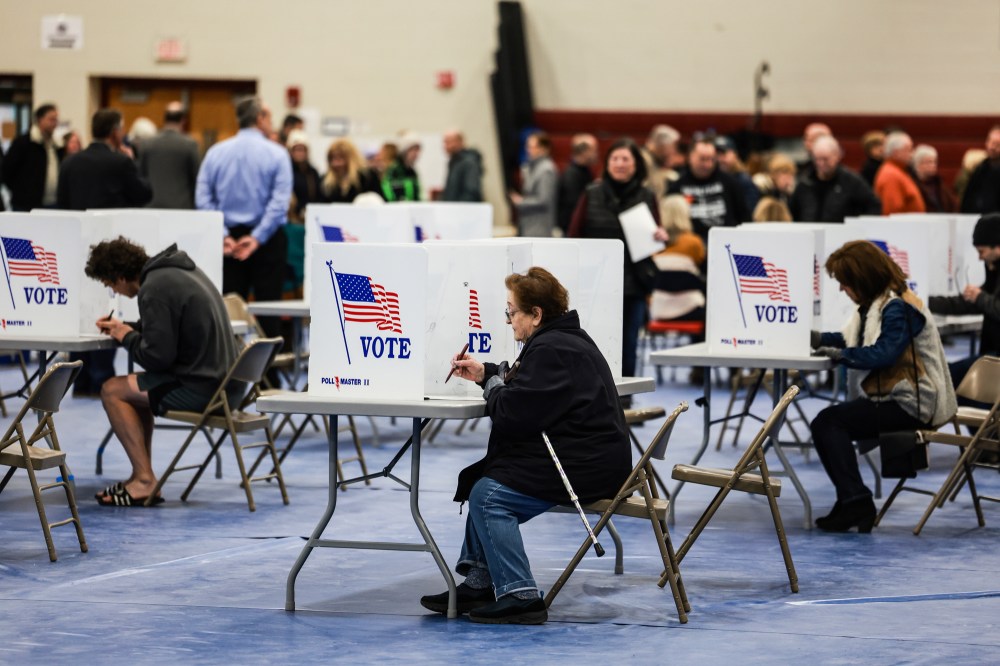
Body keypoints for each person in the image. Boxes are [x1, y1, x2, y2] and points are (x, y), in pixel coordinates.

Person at [419, 267, 631, 624]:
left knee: (489, 494)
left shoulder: (552, 348)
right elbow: (528, 389)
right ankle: (482, 582)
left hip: (585, 467)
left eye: (512, 312)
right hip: (588, 457)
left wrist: (491, 386)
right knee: (489, 476)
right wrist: (487, 373)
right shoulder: (561, 340)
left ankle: (521, 595)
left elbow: (512, 412)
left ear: (536, 314)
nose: (508, 320)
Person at [810, 240, 956, 533]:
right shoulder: (880, 304)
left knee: (829, 423)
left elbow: (882, 352)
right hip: (899, 396)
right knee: (828, 422)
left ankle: (855, 500)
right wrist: (816, 339)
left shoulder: (898, 308)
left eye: (844, 283)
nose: (842, 290)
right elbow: (853, 339)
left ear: (862, 279)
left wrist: (840, 356)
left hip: (914, 402)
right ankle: (853, 499)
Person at [84, 237, 239, 507]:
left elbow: (156, 358)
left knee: (112, 390)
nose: (115, 292)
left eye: (110, 286)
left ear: (120, 277)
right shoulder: (177, 272)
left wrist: (126, 336)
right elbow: (166, 330)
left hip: (205, 390)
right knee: (135, 391)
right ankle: (142, 477)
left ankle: (144, 481)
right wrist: (128, 328)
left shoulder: (153, 289)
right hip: (229, 385)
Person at [59, 108, 154, 397]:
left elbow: (62, 204)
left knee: (81, 312)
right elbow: (144, 195)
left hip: (76, 246)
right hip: (110, 251)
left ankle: (80, 377)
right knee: (104, 307)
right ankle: (101, 377)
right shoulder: (120, 162)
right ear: (115, 132)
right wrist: (132, 163)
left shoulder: (71, 163)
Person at [569, 138, 667, 380]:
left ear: (636, 165)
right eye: (615, 158)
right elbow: (573, 234)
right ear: (607, 163)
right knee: (591, 345)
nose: (620, 164)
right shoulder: (591, 193)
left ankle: (625, 406)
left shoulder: (647, 195)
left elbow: (657, 236)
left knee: (628, 346)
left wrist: (661, 236)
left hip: (633, 285)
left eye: (626, 159)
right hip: (594, 286)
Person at [196, 96, 292, 343]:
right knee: (268, 309)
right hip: (266, 241)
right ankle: (270, 374)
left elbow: (203, 199)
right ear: (260, 118)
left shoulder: (215, 152)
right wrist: (257, 238)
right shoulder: (278, 154)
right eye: (269, 116)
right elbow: (279, 202)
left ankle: (229, 370)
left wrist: (224, 235)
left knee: (228, 310)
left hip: (227, 243)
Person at [928, 213, 1000, 391]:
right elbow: (967, 303)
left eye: (981, 251)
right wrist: (926, 301)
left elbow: (988, 304)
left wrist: (980, 297)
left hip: (994, 360)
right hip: (991, 355)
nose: (979, 258)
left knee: (943, 379)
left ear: (997, 247)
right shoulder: (994, 270)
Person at [666, 135, 748, 244]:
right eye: (702, 159)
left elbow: (745, 217)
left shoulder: (730, 182)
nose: (707, 164)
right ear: (690, 157)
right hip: (693, 246)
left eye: (711, 159)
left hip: (727, 242)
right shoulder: (677, 186)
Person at [789, 135, 881, 222]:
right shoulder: (805, 181)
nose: (821, 163)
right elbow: (793, 211)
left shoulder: (851, 181)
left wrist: (857, 226)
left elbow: (873, 206)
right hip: (809, 232)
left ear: (837, 156)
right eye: (817, 159)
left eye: (825, 159)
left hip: (842, 234)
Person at [1, 103, 63, 211]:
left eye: (56, 120)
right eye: (51, 119)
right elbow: (6, 171)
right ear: (40, 120)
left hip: (52, 203)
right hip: (25, 205)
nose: (55, 123)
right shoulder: (23, 143)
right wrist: (20, 191)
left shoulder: (57, 144)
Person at [138, 102, 201, 209]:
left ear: (165, 119)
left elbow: (141, 176)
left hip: (151, 207)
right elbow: (196, 178)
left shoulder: (146, 144)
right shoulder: (189, 145)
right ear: (183, 120)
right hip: (181, 208)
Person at [509, 131, 557, 237]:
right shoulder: (532, 167)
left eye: (531, 146)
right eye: (527, 146)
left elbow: (544, 199)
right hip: (528, 224)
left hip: (539, 227)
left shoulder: (546, 170)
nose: (527, 150)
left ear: (543, 149)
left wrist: (521, 201)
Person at [874, 131, 925, 215]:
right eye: (909, 149)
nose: (912, 154)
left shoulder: (898, 171)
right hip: (903, 226)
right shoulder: (891, 175)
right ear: (896, 152)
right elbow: (892, 210)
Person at [320, 138, 382, 204]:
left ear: (351, 159)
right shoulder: (325, 182)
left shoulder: (367, 177)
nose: (336, 163)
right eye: (332, 158)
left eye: (340, 158)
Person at [556, 133, 597, 233]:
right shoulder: (571, 175)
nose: (596, 153)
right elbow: (576, 205)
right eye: (594, 150)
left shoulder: (585, 170)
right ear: (585, 152)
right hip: (572, 230)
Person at [960, 126, 1000, 215]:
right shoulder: (979, 168)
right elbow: (966, 197)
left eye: (997, 144)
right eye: (991, 142)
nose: (993, 147)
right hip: (976, 219)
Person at [715, 136, 760, 214]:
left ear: (735, 155)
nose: (720, 159)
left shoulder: (744, 181)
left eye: (724, 153)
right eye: (717, 154)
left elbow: (749, 212)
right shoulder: (711, 178)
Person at [284, 130, 321, 222]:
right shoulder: (285, 171)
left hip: (309, 217)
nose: (299, 153)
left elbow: (318, 196)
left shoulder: (312, 172)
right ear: (290, 151)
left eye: (302, 149)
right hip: (290, 219)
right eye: (296, 149)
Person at [912, 144, 958, 213]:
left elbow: (953, 203)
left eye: (934, 162)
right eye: (929, 162)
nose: (933, 165)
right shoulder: (912, 184)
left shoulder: (939, 183)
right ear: (918, 164)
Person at [440, 129, 483, 202]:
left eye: (448, 142)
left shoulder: (469, 163)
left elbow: (471, 192)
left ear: (459, 142)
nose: (445, 146)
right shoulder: (454, 163)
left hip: (463, 210)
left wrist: (458, 207)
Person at [642, 124, 680, 198]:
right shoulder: (644, 160)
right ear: (662, 146)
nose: (673, 151)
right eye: (673, 146)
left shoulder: (654, 159)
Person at [381, 132, 421, 202]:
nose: (416, 153)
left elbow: (417, 195)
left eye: (418, 150)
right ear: (405, 151)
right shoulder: (394, 170)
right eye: (413, 150)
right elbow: (387, 191)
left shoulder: (412, 171)